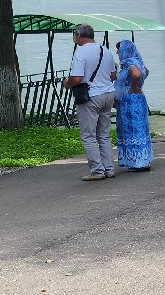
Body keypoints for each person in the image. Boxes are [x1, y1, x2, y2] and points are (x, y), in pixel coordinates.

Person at [64, 24, 117, 181]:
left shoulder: (80, 52)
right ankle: (109, 169)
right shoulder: (105, 51)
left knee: (88, 135)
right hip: (108, 94)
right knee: (104, 134)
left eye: (75, 34)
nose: (74, 37)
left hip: (91, 97)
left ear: (79, 34)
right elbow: (113, 75)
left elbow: (77, 78)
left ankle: (97, 171)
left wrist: (66, 83)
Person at [114, 39, 153, 173]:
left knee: (132, 128)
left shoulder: (130, 62)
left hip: (129, 100)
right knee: (139, 128)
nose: (118, 52)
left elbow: (136, 74)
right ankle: (143, 159)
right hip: (137, 99)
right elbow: (145, 72)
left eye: (119, 49)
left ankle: (138, 161)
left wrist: (134, 86)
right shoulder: (138, 61)